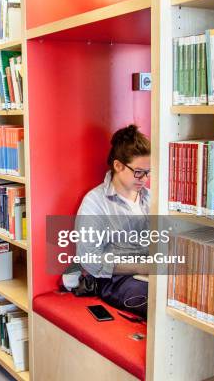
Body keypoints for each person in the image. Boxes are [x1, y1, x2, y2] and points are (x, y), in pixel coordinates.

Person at [73, 124, 151, 318]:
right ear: (118, 166)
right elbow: (89, 259)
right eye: (139, 172)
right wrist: (141, 267)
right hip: (114, 279)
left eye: (148, 172)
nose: (145, 179)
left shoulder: (150, 198)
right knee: (156, 299)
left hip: (150, 270)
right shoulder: (95, 202)